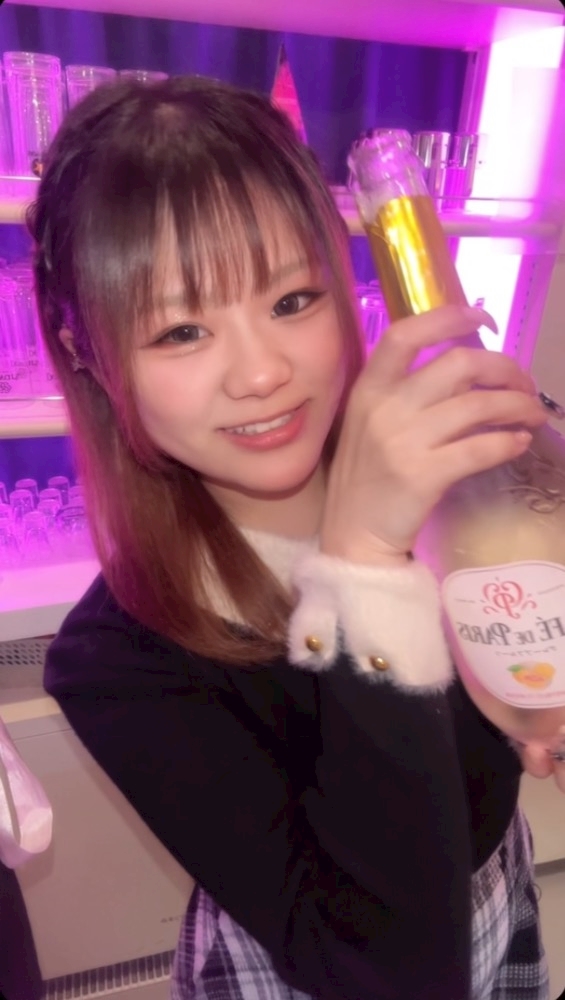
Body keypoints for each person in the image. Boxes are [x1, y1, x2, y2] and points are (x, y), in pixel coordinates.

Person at [28, 75, 563, 1000]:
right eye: (181, 330)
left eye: (291, 301)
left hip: (495, 899)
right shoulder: (117, 660)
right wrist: (362, 565)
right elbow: (386, 967)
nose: (262, 373)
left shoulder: (459, 477)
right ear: (86, 352)